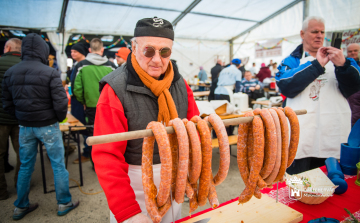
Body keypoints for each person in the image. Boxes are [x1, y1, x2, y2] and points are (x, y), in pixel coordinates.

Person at [92, 17, 199, 223]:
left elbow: (193, 129)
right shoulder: (114, 89)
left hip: (175, 179)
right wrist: (128, 211)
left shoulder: (180, 83)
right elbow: (107, 155)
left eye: (164, 51)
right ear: (133, 47)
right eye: (148, 50)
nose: (157, 59)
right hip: (135, 184)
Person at [2, 33, 79, 220]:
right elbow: (61, 103)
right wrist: (57, 118)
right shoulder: (49, 72)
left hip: (25, 127)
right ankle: (64, 203)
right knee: (58, 165)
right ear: (42, 51)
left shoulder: (11, 72)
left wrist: (21, 117)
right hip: (48, 125)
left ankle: (20, 206)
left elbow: (6, 102)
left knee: (25, 166)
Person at [275, 16, 360, 174]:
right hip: (301, 134)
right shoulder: (291, 61)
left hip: (332, 132)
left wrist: (343, 65)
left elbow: (355, 87)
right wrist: (317, 65)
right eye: (314, 31)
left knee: (331, 180)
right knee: (299, 182)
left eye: (322, 31)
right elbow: (286, 86)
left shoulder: (341, 59)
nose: (319, 35)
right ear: (302, 34)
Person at [73, 38, 116, 166]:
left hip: (91, 106)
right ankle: (108, 162)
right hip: (108, 106)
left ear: (90, 50)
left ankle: (96, 163)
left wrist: (83, 102)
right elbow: (117, 87)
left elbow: (77, 89)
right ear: (102, 50)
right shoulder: (111, 66)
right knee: (108, 133)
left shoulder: (81, 65)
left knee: (93, 134)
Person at [0, 38, 22, 201]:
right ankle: (20, 186)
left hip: (1, 117)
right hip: (20, 117)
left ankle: (2, 191)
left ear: (7, 47)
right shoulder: (25, 66)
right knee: (23, 154)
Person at [69, 42, 90, 164]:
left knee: (85, 127)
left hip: (83, 102)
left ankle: (87, 152)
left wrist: (83, 100)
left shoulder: (83, 66)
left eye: (75, 51)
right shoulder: (77, 65)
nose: (72, 54)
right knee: (82, 126)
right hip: (79, 101)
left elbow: (81, 86)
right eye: (71, 51)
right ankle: (87, 151)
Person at [346, 43, 360, 126]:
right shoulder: (342, 66)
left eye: (355, 51)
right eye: (350, 51)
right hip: (349, 105)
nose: (353, 53)